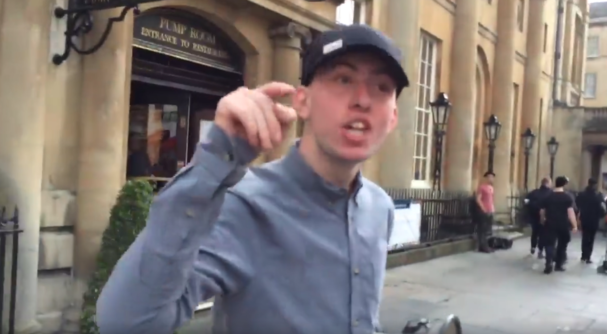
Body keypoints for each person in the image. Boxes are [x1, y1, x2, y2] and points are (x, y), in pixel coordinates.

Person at [96, 24, 410, 334]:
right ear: (302, 101)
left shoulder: (379, 207)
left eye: (382, 87)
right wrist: (215, 160)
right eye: (344, 79)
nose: (363, 100)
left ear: (393, 116)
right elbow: (127, 322)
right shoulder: (241, 205)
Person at [539, 176, 579, 274]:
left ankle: (549, 262)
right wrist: (574, 225)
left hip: (550, 223)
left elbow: (542, 211)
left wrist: (542, 220)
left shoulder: (548, 196)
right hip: (562, 224)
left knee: (549, 244)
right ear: (564, 184)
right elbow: (570, 213)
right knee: (563, 243)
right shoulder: (567, 197)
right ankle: (558, 264)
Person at [575, 178, 606, 264]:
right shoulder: (598, 195)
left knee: (584, 237)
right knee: (591, 238)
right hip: (594, 219)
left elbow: (577, 204)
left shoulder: (581, 194)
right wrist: (600, 215)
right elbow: (602, 208)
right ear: (595, 185)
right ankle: (588, 256)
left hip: (584, 218)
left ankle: (583, 255)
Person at [524, 177, 552, 258]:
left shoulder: (534, 192)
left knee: (535, 232)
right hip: (546, 217)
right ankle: (540, 250)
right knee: (543, 234)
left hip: (534, 216)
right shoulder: (550, 193)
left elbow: (526, 201)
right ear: (548, 183)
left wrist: (531, 208)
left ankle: (533, 247)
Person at [475, 171, 495, 253]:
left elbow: (491, 200)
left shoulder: (492, 188)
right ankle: (483, 246)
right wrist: (483, 209)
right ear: (486, 178)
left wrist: (492, 209)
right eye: (489, 177)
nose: (491, 179)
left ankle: (485, 246)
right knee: (482, 230)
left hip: (490, 210)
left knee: (487, 230)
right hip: (484, 211)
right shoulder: (482, 187)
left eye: (492, 177)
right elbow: (478, 199)